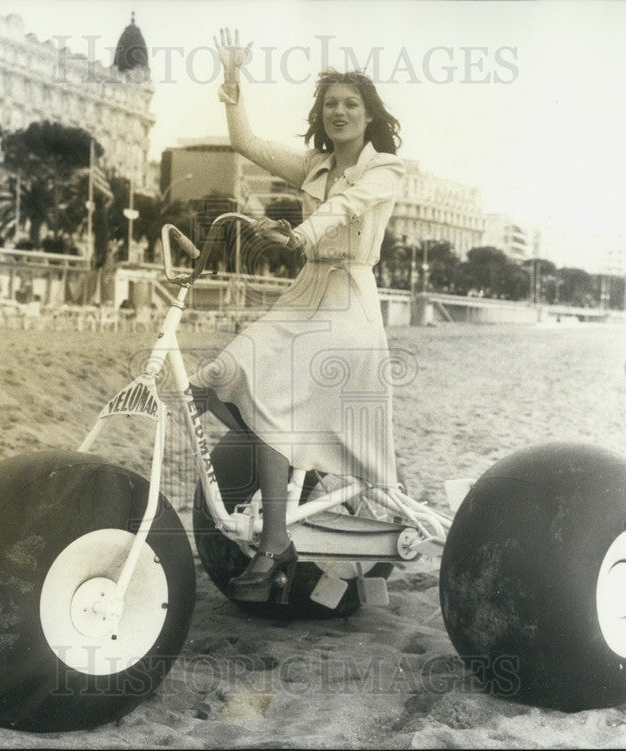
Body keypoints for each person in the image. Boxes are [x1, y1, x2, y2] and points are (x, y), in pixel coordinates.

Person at [190, 28, 406, 602]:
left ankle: (276, 541)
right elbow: (245, 142)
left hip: (349, 300)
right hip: (307, 292)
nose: (339, 111)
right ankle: (294, 468)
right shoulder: (313, 165)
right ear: (321, 113)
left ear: (368, 115)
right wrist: (233, 82)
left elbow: (345, 209)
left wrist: (299, 233)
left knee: (272, 399)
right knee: (219, 379)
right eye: (330, 103)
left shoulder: (385, 169)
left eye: (350, 104)